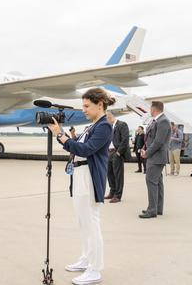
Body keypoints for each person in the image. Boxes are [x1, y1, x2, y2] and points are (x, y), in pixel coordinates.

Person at [48, 87, 114, 285]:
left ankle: (95, 269)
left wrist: (61, 136)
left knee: (91, 224)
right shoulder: (92, 125)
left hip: (89, 177)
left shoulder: (104, 126)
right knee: (83, 223)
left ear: (99, 105)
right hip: (79, 175)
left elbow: (85, 150)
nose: (83, 110)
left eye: (87, 106)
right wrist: (65, 137)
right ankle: (86, 259)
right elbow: (77, 146)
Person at [139, 101, 171, 219]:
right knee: (157, 183)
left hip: (156, 157)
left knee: (151, 181)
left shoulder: (163, 121)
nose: (149, 110)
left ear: (154, 109)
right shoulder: (157, 121)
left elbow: (158, 142)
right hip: (154, 156)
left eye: (150, 108)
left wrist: (147, 153)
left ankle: (152, 210)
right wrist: (144, 148)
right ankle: (157, 208)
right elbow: (150, 139)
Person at [105, 112, 130, 203]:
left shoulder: (122, 125)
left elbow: (125, 139)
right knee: (109, 173)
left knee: (118, 175)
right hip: (109, 152)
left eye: (106, 119)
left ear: (110, 117)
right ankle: (112, 192)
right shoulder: (110, 127)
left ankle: (118, 195)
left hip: (117, 152)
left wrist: (119, 152)